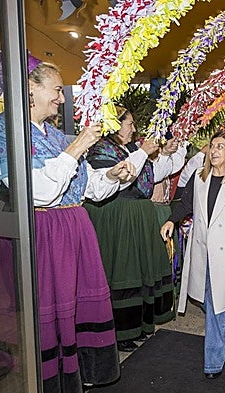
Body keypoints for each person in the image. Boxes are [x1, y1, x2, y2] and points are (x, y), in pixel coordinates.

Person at [0, 53, 134, 392]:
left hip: (67, 239)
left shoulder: (53, 135)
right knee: (39, 324)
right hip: (37, 241)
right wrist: (78, 147)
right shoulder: (3, 132)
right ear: (29, 89)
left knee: (66, 319)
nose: (61, 97)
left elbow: (83, 189)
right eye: (56, 89)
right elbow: (36, 192)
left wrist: (110, 175)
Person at [84, 106, 186, 352]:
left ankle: (140, 325)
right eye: (129, 123)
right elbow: (123, 178)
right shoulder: (102, 149)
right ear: (115, 125)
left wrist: (163, 154)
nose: (133, 128)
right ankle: (121, 331)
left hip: (137, 216)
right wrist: (142, 152)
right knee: (123, 272)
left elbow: (154, 175)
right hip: (118, 217)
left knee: (140, 272)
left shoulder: (129, 148)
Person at [160, 131, 225, 379]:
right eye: (212, 146)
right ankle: (216, 341)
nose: (213, 151)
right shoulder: (200, 178)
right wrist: (171, 220)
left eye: (220, 147)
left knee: (219, 306)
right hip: (202, 249)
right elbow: (185, 204)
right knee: (207, 300)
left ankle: (213, 361)